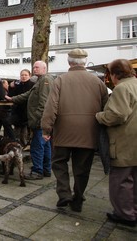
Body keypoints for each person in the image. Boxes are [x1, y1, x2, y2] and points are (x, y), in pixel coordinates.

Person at [41, 49, 108, 212]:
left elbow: (51, 107)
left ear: (69, 62)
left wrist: (46, 129)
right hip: (89, 131)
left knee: (58, 162)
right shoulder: (98, 82)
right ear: (85, 62)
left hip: (64, 130)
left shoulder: (60, 80)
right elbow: (106, 107)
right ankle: (77, 198)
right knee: (82, 168)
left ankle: (64, 193)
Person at [96, 59, 137, 227]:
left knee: (121, 180)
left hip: (124, 142)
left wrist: (99, 116)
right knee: (134, 178)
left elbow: (117, 115)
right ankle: (133, 209)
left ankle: (125, 214)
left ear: (114, 74)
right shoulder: (135, 84)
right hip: (133, 141)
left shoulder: (122, 88)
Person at [7, 61, 54, 180]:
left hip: (40, 121)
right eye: (34, 67)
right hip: (41, 120)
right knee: (46, 145)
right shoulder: (39, 81)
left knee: (37, 146)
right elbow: (28, 94)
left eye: (37, 67)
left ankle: (38, 171)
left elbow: (44, 102)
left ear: (44, 68)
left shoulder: (45, 80)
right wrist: (12, 98)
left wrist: (38, 118)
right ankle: (46, 169)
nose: (34, 69)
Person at [8, 69, 35, 147]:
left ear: (29, 76)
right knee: (17, 129)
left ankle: (24, 144)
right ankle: (16, 145)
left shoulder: (32, 84)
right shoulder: (17, 84)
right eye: (22, 75)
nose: (23, 77)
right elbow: (11, 95)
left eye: (25, 75)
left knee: (24, 129)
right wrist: (11, 87)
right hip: (17, 110)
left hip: (28, 110)